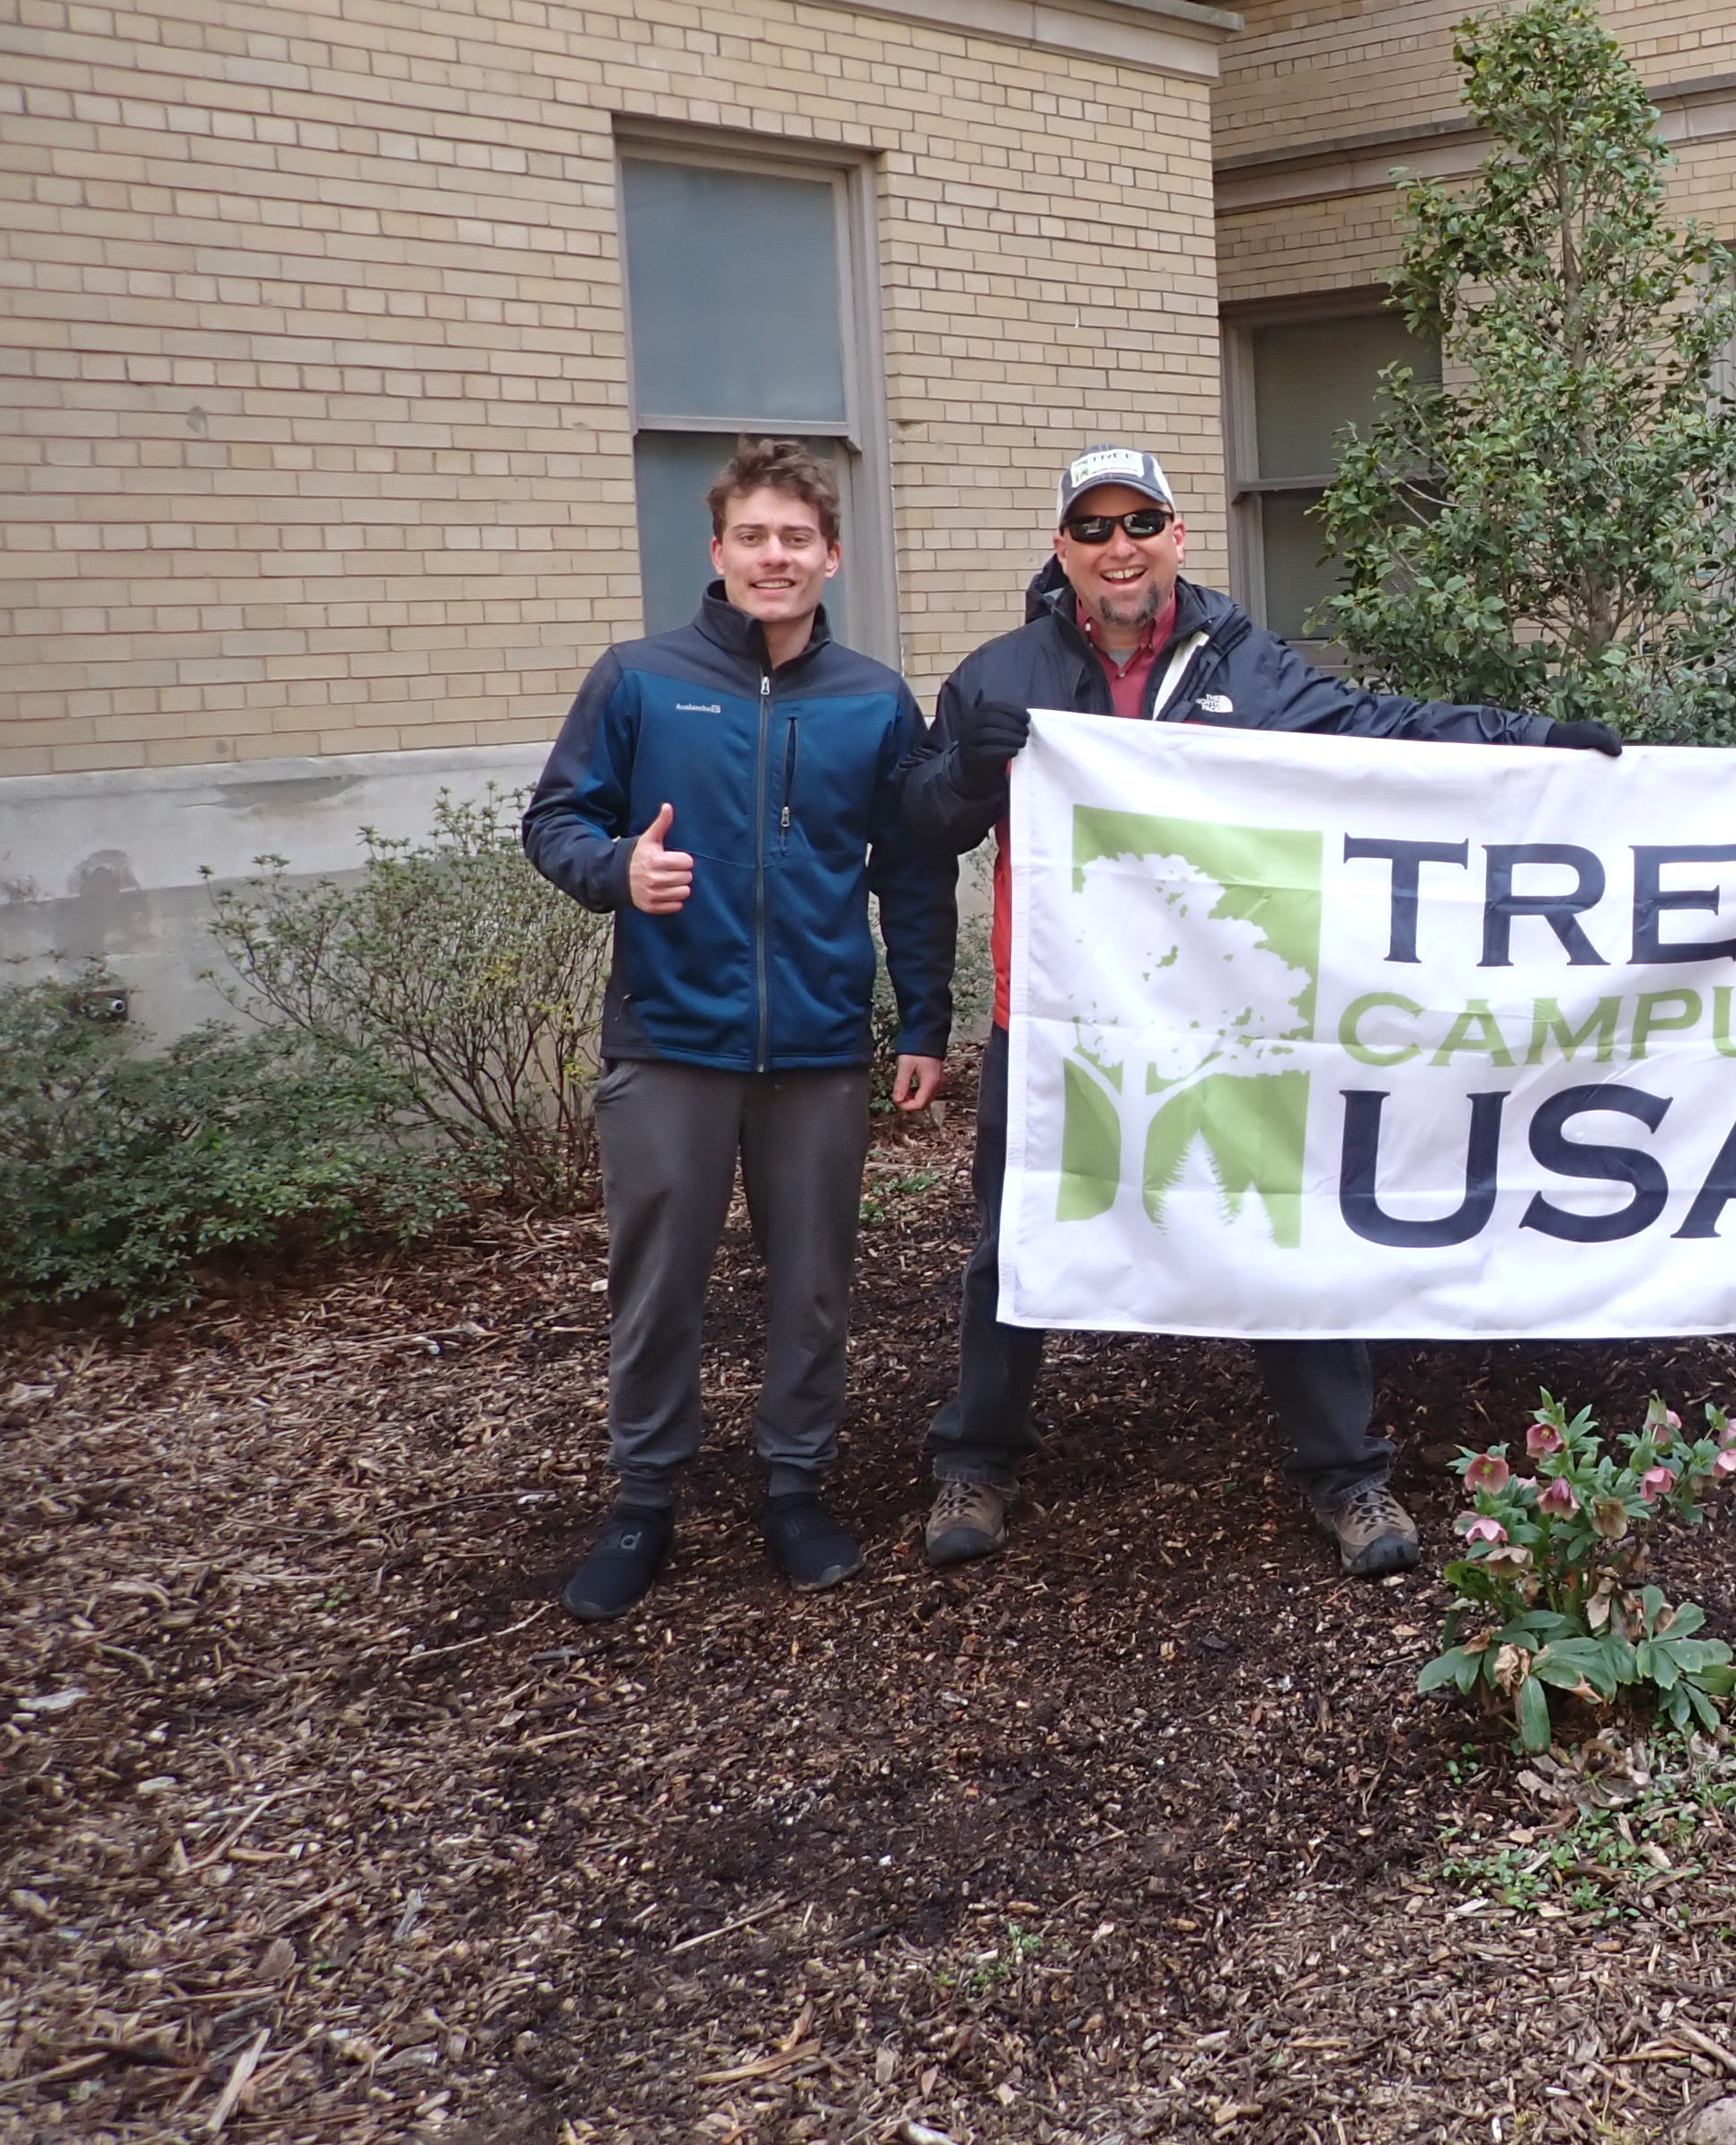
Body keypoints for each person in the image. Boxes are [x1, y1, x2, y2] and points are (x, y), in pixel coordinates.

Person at [900, 444, 1619, 1578]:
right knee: (1015, 1238)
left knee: (1282, 1216)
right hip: (1062, 1019)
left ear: (1179, 536)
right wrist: (965, 775)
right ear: (1061, 551)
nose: (1118, 546)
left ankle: (1349, 1478)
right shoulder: (998, 676)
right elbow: (915, 829)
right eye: (1093, 528)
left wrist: (1535, 747)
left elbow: (1384, 736)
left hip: (1231, 1011)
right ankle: (977, 1459)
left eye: (1141, 521)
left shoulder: (1247, 666)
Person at [521, 438, 952, 1622]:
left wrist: (923, 1019)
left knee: (814, 1286)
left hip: (816, 1047)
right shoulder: (640, 680)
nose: (776, 557)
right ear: (718, 552)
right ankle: (643, 1501)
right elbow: (555, 819)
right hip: (670, 1041)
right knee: (657, 1284)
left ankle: (794, 1489)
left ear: (832, 557)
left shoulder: (872, 698)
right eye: (754, 537)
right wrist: (620, 868)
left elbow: (910, 871)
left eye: (797, 539)